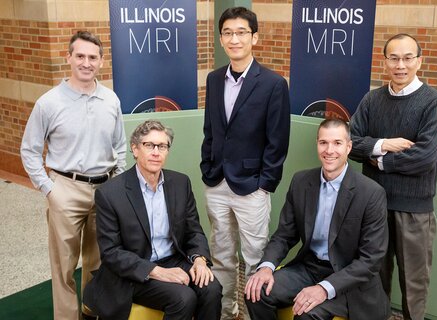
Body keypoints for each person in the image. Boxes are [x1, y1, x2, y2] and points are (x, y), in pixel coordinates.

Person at [20, 31, 126, 320]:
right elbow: (29, 150)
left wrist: (117, 183)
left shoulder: (111, 100)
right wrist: (48, 188)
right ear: (68, 57)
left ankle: (92, 312)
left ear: (101, 61)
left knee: (98, 262)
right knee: (64, 265)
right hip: (65, 188)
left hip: (105, 190)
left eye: (93, 57)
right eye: (80, 56)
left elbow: (121, 147)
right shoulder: (49, 102)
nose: (86, 63)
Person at [245, 119, 390, 320]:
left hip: (350, 280)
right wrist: (266, 266)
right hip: (309, 267)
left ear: (349, 147)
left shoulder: (371, 193)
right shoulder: (301, 182)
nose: (329, 150)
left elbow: (370, 260)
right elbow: (284, 236)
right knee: (256, 291)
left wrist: (323, 289)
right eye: (323, 142)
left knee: (307, 315)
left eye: (337, 143)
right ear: (317, 145)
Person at [349, 33, 437, 320]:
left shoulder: (434, 103)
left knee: (414, 286)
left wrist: (378, 160)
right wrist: (384, 144)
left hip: (414, 211)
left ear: (419, 61)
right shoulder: (371, 100)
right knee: (374, 279)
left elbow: (425, 157)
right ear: (385, 61)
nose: (400, 65)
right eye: (393, 58)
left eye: (407, 58)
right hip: (374, 205)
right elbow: (350, 142)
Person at [200, 7, 291, 319]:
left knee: (254, 258)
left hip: (252, 186)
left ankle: (255, 315)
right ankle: (227, 312)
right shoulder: (213, 80)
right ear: (222, 39)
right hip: (216, 182)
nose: (234, 38)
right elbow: (211, 130)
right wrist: (207, 166)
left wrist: (265, 184)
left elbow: (278, 141)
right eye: (227, 33)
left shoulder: (273, 83)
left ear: (254, 37)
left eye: (241, 32)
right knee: (222, 257)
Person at [83, 120, 222, 320]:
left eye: (162, 146)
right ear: (135, 149)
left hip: (173, 259)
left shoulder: (180, 183)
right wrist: (156, 271)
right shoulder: (110, 193)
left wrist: (199, 260)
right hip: (135, 270)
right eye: (149, 145)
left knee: (211, 289)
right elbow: (111, 253)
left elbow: (193, 231)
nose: (156, 152)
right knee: (184, 298)